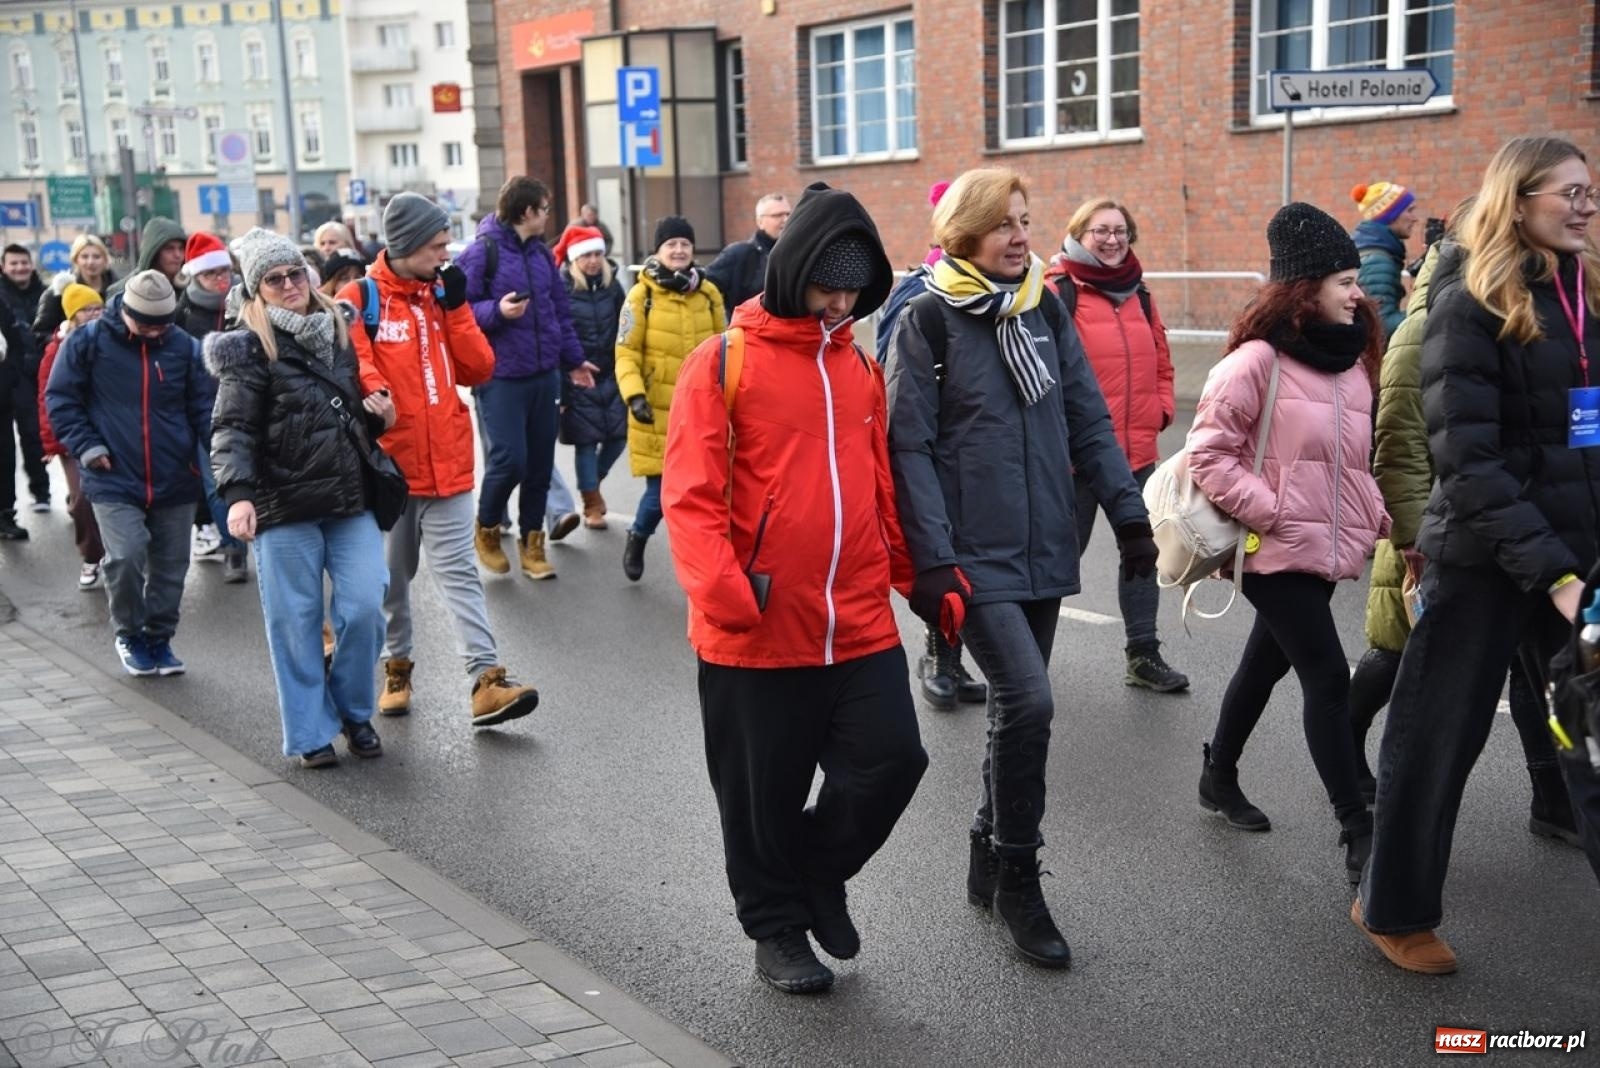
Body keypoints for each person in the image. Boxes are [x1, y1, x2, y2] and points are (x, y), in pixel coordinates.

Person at [663, 181, 928, 994]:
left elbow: (879, 487)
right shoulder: (723, 361)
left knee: (893, 762)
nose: (840, 303)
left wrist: (917, 579)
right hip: (757, 622)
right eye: (828, 285)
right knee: (760, 797)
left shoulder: (856, 365)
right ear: (792, 273)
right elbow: (691, 494)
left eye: (854, 289)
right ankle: (774, 926)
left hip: (856, 617)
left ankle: (814, 873)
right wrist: (729, 596)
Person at [886, 168, 1154, 969]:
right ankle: (1016, 879)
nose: (1020, 237)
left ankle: (983, 841)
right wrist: (934, 562)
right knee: (1030, 702)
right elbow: (909, 451)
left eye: (1026, 222)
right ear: (964, 231)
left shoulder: (1042, 306)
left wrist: (1128, 511)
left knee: (1016, 711)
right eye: (1005, 224)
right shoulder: (926, 318)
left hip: (1043, 548)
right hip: (972, 558)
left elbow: (1085, 417)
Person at [1355, 137, 1600, 975]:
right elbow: (1470, 458)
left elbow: (1587, 434)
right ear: (1517, 199)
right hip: (1483, 555)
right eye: (1567, 193)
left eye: (1589, 192)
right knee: (1435, 738)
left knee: (1588, 731)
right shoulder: (1469, 301)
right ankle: (1393, 910)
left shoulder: (1584, 296)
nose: (1585, 206)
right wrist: (1555, 572)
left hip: (1570, 551)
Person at [1347, 204, 1578, 842]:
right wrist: (1415, 542)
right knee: (1400, 659)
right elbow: (1399, 445)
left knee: (1533, 676)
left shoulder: (1524, 316)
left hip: (1506, 529)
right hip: (1436, 531)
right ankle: (1343, 740)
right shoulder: (1426, 324)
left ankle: (1551, 799)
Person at [1184, 203, 1389, 888]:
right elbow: (1208, 456)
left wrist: (1381, 518)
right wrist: (1269, 511)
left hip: (1328, 547)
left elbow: (1356, 463)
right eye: (1342, 281)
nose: (1354, 293)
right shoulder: (1256, 362)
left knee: (1265, 663)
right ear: (1304, 288)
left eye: (1356, 279)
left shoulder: (1355, 365)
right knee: (1328, 678)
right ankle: (1359, 834)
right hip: (1271, 548)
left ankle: (1218, 775)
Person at [338, 192, 541, 728]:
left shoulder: (440, 296)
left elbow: (479, 368)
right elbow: (358, 367)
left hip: (448, 464)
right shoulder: (359, 299)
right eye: (435, 244)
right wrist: (378, 402)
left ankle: (486, 681)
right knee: (392, 579)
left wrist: (456, 309)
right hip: (389, 471)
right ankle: (397, 667)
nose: (445, 252)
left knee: (460, 578)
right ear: (404, 246)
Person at [206, 229, 393, 769]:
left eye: (295, 273)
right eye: (274, 279)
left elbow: (344, 413)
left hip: (347, 494)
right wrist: (239, 497)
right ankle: (311, 731)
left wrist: (378, 419)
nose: (290, 285)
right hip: (282, 505)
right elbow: (231, 428)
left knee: (362, 608)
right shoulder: (248, 346)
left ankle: (354, 710)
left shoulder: (337, 327)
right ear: (256, 288)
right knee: (296, 621)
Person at [1045, 198, 1189, 693]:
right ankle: (1025, 666)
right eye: (1100, 231)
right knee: (1060, 559)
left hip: (1136, 456)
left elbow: (1163, 363)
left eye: (1121, 230)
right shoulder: (1057, 292)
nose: (1112, 239)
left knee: (1142, 552)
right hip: (1078, 459)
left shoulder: (1141, 295)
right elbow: (1044, 377)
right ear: (1078, 233)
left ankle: (1143, 655)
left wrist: (1161, 411)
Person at [44, 270, 211, 677]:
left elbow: (206, 409)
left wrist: (209, 460)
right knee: (126, 555)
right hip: (112, 474)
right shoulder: (87, 342)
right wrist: (86, 446)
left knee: (172, 567)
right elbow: (60, 398)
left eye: (163, 324)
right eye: (147, 324)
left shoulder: (184, 348)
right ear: (126, 312)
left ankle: (159, 638)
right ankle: (129, 633)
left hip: (176, 476)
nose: (156, 333)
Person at [874, 179, 987, 711]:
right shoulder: (921, 291)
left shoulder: (1011, 288)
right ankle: (940, 657)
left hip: (986, 455)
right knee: (945, 556)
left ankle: (956, 657)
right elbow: (892, 366)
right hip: (938, 450)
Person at [458, 176, 597, 581]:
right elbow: (460, 312)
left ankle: (532, 545)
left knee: (539, 463)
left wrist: (574, 362)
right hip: (499, 376)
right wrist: (497, 312)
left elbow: (558, 314)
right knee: (510, 460)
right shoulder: (482, 253)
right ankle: (485, 529)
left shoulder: (541, 256)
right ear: (527, 212)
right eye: (545, 208)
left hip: (544, 376)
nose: (548, 215)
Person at [615, 216, 726, 581]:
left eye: (685, 244)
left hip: (702, 409)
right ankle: (638, 535)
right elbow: (626, 352)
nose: (679, 251)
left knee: (707, 492)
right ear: (658, 251)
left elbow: (723, 349)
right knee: (662, 494)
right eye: (671, 245)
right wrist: (634, 396)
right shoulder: (640, 296)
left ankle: (700, 566)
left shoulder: (709, 293)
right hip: (656, 409)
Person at [175, 231, 250, 583]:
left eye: (224, 271)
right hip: (203, 411)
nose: (221, 280)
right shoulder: (182, 314)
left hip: (248, 406)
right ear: (195, 276)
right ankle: (233, 547)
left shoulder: (246, 302)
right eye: (211, 274)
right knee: (216, 486)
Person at [553, 224, 627, 529]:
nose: (594, 261)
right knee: (586, 442)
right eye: (586, 255)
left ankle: (592, 483)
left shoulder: (613, 287)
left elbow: (626, 323)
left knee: (619, 438)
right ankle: (591, 505)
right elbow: (556, 334)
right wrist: (564, 384)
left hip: (611, 374)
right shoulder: (563, 289)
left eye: (598, 254)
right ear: (574, 259)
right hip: (578, 377)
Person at [36, 283, 107, 588]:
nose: (94, 314)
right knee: (81, 499)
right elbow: (47, 397)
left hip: (110, 432)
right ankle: (91, 556)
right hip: (73, 438)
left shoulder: (114, 341)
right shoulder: (56, 349)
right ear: (72, 315)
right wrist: (52, 442)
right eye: (86, 310)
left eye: (97, 308)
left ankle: (125, 556)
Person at [2, 244, 49, 517]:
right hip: (12, 374)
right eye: (14, 263)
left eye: (24, 262)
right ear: (4, 267)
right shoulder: (1, 295)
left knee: (36, 433)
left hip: (42, 371)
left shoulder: (46, 293)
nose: (20, 268)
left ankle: (41, 490)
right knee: (11, 440)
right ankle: (8, 505)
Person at [1351, 182, 1420, 339]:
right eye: (1409, 211)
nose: (1415, 218)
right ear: (1390, 215)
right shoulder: (1378, 261)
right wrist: (1427, 315)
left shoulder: (1376, 250)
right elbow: (1383, 324)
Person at [706, 194, 790, 310]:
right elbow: (707, 285)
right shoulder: (738, 254)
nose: (786, 220)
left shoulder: (799, 254)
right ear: (760, 221)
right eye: (778, 215)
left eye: (788, 214)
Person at [33, 235, 117, 351]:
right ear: (75, 260)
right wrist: (63, 339)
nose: (90, 262)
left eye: (96, 256)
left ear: (105, 259)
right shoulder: (58, 293)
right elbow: (40, 335)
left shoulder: (119, 290)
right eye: (84, 256)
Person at [106, 217, 187, 299]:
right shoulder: (122, 292)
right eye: (169, 249)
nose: (177, 255)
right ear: (154, 251)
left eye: (181, 248)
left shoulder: (189, 288)